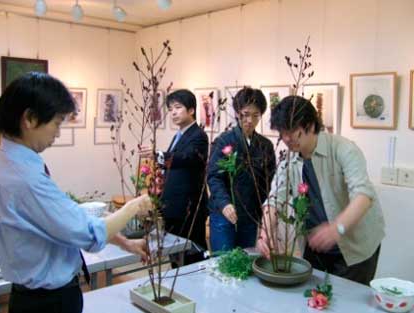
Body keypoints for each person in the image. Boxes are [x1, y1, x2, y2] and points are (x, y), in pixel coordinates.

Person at [0, 72, 152, 313]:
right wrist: (133, 207)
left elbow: (64, 220)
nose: (58, 133)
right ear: (30, 119)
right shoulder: (24, 178)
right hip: (47, 306)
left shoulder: (11, 161)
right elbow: (87, 234)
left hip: (39, 300)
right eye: (56, 123)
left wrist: (125, 243)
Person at [257, 95, 385, 285]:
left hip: (355, 246)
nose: (286, 138)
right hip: (317, 244)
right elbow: (275, 198)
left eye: (292, 131)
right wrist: (265, 233)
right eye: (282, 132)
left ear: (309, 125)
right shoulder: (290, 160)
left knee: (346, 305)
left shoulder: (344, 149)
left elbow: (363, 195)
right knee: (314, 300)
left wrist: (337, 227)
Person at [140, 89, 209, 265]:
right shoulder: (179, 135)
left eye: (178, 107)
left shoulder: (199, 135)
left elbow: (187, 159)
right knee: (175, 255)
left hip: (189, 208)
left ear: (191, 110)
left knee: (191, 255)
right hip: (174, 207)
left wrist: (158, 155)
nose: (173, 112)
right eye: (171, 109)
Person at [207, 87, 276, 252]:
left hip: (250, 215)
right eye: (245, 114)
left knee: (245, 261)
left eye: (256, 115)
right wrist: (224, 203)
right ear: (237, 113)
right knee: (223, 263)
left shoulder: (265, 145)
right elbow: (213, 177)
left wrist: (265, 213)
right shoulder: (224, 141)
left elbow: (269, 182)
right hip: (224, 212)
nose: (250, 120)